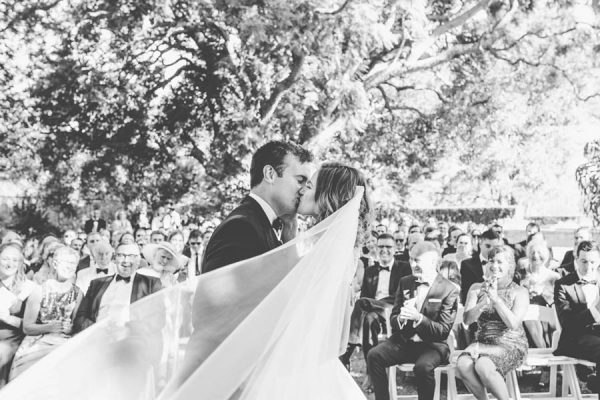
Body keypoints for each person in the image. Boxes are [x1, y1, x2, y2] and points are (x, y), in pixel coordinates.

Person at [366, 241, 459, 400]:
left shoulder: (448, 289)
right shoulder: (405, 282)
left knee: (422, 368)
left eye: (418, 260)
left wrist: (419, 318)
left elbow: (443, 331)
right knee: (374, 355)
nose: (413, 264)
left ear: (433, 262)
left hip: (433, 346)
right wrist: (401, 318)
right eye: (411, 259)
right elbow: (394, 318)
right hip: (404, 342)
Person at [202, 141, 313, 273]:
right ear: (270, 174)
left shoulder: (264, 223)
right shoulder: (240, 227)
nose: (304, 190)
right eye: (300, 180)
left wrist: (290, 239)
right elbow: (216, 292)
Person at [456, 245, 529, 400]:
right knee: (463, 364)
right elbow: (467, 320)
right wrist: (483, 302)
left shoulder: (519, 292)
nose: (494, 266)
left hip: (511, 344)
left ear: (510, 265)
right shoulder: (476, 288)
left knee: (483, 365)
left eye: (499, 262)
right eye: (491, 261)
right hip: (482, 343)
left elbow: (513, 324)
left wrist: (496, 300)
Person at [338, 233, 411, 371]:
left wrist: (375, 303)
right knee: (369, 319)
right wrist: (373, 304)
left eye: (388, 246)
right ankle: (372, 371)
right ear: (376, 249)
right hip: (374, 312)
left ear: (395, 249)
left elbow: (402, 296)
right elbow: (365, 295)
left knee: (361, 303)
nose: (384, 250)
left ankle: (346, 352)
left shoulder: (404, 267)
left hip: (394, 309)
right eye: (381, 246)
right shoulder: (369, 271)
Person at [9, 246, 83, 380]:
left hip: (64, 342)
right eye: (66, 262)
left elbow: (76, 324)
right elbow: (27, 327)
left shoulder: (78, 293)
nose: (70, 267)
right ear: (55, 263)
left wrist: (71, 328)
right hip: (38, 342)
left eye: (73, 264)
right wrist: (49, 327)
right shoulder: (39, 291)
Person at [73, 243, 163, 333]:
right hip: (98, 338)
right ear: (114, 259)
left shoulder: (151, 284)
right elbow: (80, 318)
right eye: (121, 255)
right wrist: (97, 330)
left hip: (131, 341)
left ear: (138, 260)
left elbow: (158, 320)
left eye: (131, 256)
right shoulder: (96, 283)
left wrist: (127, 332)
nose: (126, 260)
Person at [553, 240, 600, 394]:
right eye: (584, 261)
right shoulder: (563, 285)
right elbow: (568, 324)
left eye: (593, 262)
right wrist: (595, 311)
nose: (588, 267)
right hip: (577, 337)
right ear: (576, 261)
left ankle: (595, 382)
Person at [0, 243, 36, 387]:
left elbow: (31, 325)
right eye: (5, 259)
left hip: (12, 338)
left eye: (15, 260)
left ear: (21, 263)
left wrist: (7, 318)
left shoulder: (28, 287)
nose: (10, 264)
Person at [518, 240, 559, 348]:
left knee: (534, 315)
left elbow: (559, 302)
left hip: (548, 318)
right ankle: (543, 349)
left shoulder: (554, 277)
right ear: (528, 255)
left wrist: (543, 294)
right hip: (524, 319)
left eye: (539, 252)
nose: (536, 256)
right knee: (530, 314)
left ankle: (543, 350)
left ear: (545, 255)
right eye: (532, 252)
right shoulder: (520, 274)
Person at [460, 229, 503, 305]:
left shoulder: (503, 265)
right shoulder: (466, 264)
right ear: (480, 244)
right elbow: (465, 293)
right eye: (488, 246)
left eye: (495, 247)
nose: (491, 250)